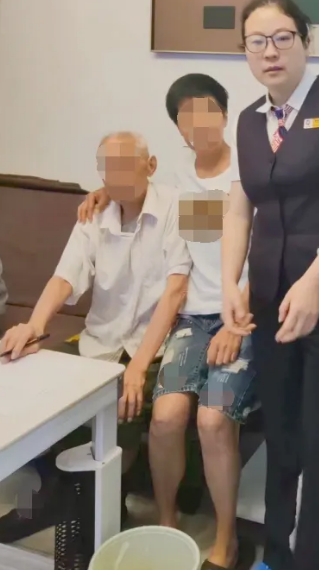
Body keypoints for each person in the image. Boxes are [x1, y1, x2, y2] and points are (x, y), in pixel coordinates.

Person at [221, 0, 319, 570]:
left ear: (307, 41)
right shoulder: (248, 121)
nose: (270, 51)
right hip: (270, 303)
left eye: (283, 37)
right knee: (282, 435)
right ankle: (278, 553)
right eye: (257, 42)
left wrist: (317, 276)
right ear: (245, 52)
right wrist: (230, 284)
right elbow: (239, 209)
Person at [78, 76, 256, 570]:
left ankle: (226, 541)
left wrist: (234, 323)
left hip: (244, 317)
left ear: (225, 114)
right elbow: (153, 201)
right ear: (177, 127)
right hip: (193, 318)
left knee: (212, 420)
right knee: (165, 417)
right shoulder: (182, 177)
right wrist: (105, 190)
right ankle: (167, 523)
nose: (197, 123)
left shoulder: (251, 171)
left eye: (207, 111)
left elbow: (265, 256)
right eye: (185, 116)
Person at [0, 131, 191, 520]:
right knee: (29, 374)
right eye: (107, 169)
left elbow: (176, 291)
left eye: (125, 166)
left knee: (124, 402)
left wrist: (138, 366)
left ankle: (104, 503)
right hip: (99, 339)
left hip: (155, 344)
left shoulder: (178, 206)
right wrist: (33, 326)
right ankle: (61, 495)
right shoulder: (94, 213)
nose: (115, 176)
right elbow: (65, 276)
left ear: (151, 166)